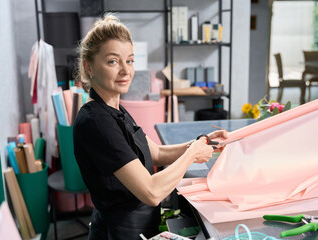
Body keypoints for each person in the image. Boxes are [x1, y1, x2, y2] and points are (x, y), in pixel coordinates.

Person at [73, 13, 228, 240]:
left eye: (130, 60)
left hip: (141, 228)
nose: (126, 71)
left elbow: (155, 152)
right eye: (113, 61)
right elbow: (152, 192)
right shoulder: (97, 122)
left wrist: (203, 141)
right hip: (119, 234)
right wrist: (193, 154)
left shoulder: (114, 110)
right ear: (89, 67)